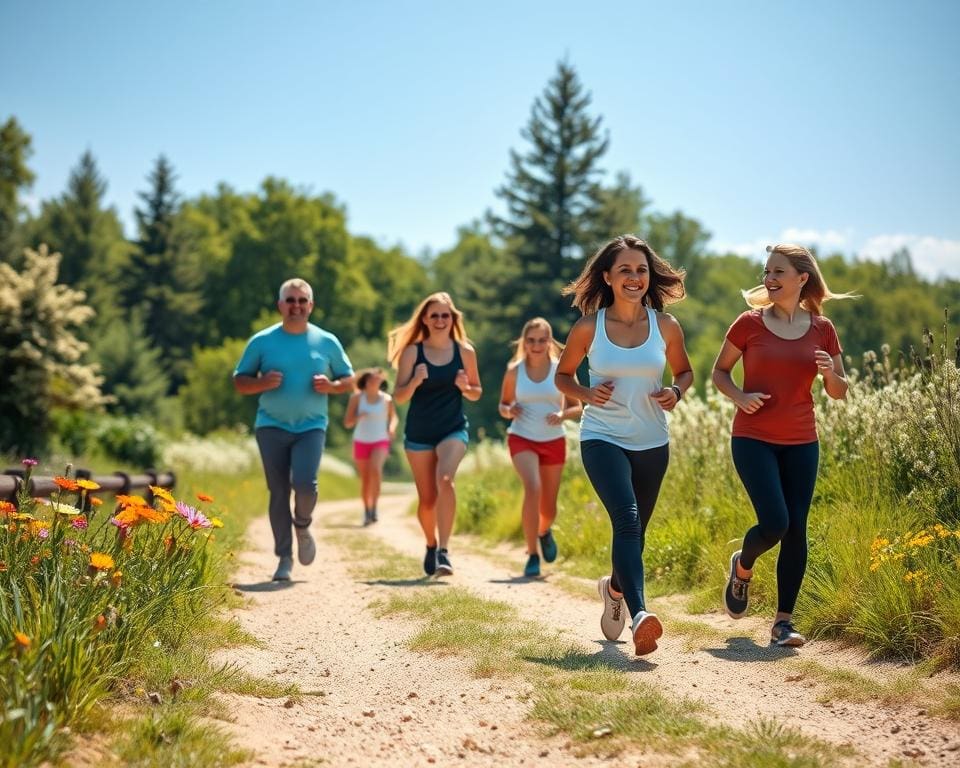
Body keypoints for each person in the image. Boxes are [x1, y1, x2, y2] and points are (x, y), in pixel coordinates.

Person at [555, 234, 693, 656]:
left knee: (636, 534)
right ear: (607, 278)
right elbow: (563, 377)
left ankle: (614, 589)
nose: (635, 277)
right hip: (602, 437)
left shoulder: (665, 326)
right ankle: (640, 616)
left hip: (652, 440)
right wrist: (585, 394)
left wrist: (676, 391)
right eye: (625, 270)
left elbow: (685, 372)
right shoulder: (588, 327)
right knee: (628, 520)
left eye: (641, 270)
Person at [713, 244, 851, 647]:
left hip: (802, 440)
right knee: (775, 522)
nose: (769, 279)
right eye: (766, 272)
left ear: (801, 278)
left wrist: (830, 375)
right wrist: (739, 396)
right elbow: (719, 373)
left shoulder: (822, 328)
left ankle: (783, 623)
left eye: (778, 272)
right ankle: (743, 565)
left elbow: (840, 391)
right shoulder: (748, 324)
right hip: (753, 438)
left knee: (796, 529)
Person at [234, 278, 354, 581]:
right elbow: (240, 381)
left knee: (305, 485)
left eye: (302, 300)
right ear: (280, 305)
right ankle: (284, 558)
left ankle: (302, 524)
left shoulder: (327, 341)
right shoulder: (262, 341)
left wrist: (332, 386)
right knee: (278, 492)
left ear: (311, 306)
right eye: (291, 300)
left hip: (311, 426)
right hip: (270, 426)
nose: (296, 306)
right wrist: (261, 383)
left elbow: (349, 380)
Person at [389, 292, 482, 577]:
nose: (441, 320)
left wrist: (465, 387)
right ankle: (430, 544)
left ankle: (444, 551)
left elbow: (477, 393)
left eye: (445, 315)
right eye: (435, 315)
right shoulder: (411, 352)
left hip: (452, 428)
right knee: (427, 500)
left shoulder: (465, 351)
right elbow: (399, 397)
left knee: (445, 479)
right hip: (419, 432)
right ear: (425, 320)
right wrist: (415, 380)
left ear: (452, 318)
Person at [499, 318, 581, 578]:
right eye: (531, 340)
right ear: (524, 342)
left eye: (541, 340)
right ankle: (532, 554)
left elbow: (577, 406)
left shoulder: (561, 369)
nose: (536, 345)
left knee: (549, 507)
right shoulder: (514, 371)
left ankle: (544, 531)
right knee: (532, 487)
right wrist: (509, 410)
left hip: (553, 440)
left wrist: (562, 415)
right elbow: (503, 405)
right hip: (521, 437)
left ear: (549, 342)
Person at [344, 367, 398, 526]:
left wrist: (391, 428)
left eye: (378, 380)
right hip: (361, 440)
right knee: (366, 479)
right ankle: (367, 510)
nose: (375, 382)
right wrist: (358, 416)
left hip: (380, 439)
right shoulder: (356, 398)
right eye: (372, 379)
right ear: (365, 382)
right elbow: (347, 422)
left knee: (376, 470)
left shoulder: (386, 399)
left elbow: (393, 417)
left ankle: (374, 507)